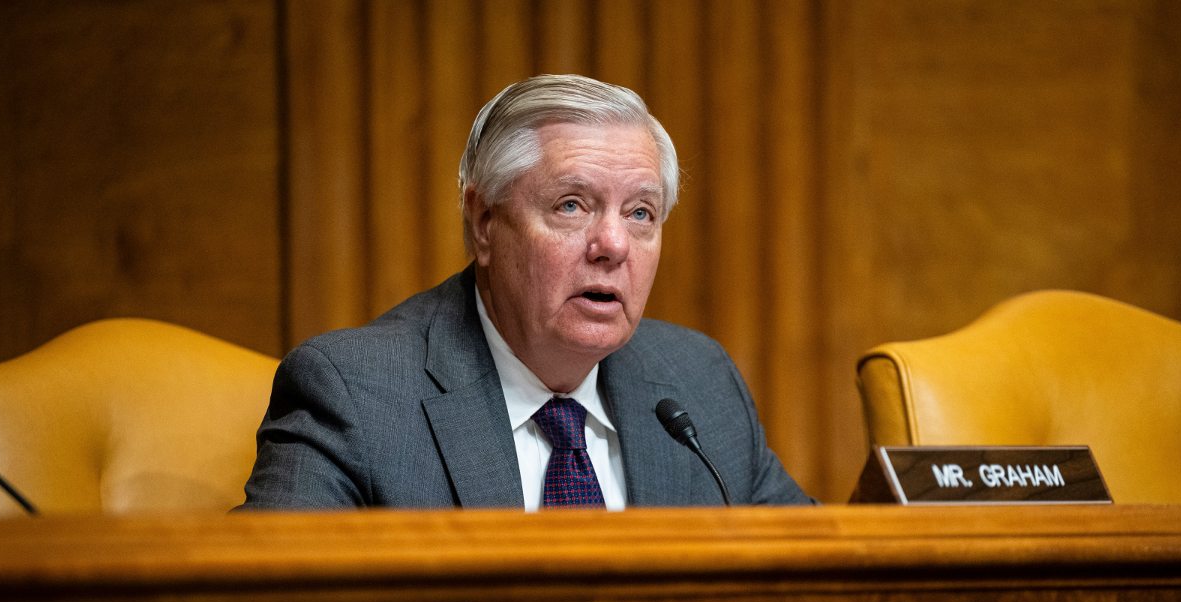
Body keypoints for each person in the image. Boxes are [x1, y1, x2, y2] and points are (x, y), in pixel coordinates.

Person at [241, 74, 811, 510]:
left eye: (641, 213)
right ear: (485, 222)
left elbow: (814, 580)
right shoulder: (355, 395)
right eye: (571, 205)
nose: (613, 243)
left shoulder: (699, 383)